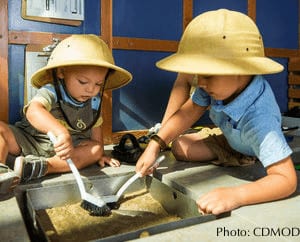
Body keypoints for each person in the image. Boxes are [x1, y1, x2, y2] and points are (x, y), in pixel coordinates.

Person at [136, 9, 297, 215]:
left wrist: (236, 195)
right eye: (198, 75)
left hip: (254, 147)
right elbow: (187, 112)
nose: (200, 82)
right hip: (231, 141)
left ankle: (248, 158)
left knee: (265, 161)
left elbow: (287, 180)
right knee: (179, 147)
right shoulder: (214, 87)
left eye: (208, 75)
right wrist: (155, 145)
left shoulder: (260, 118)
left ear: (242, 67)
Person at [0, 34, 132, 191]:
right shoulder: (51, 91)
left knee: (95, 149)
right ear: (61, 73)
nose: (91, 89)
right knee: (1, 129)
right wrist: (61, 132)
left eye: (98, 84)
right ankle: (1, 172)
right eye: (83, 82)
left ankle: (42, 167)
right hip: (30, 141)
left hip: (67, 154)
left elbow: (97, 140)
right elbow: (33, 111)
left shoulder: (94, 105)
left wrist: (99, 155)